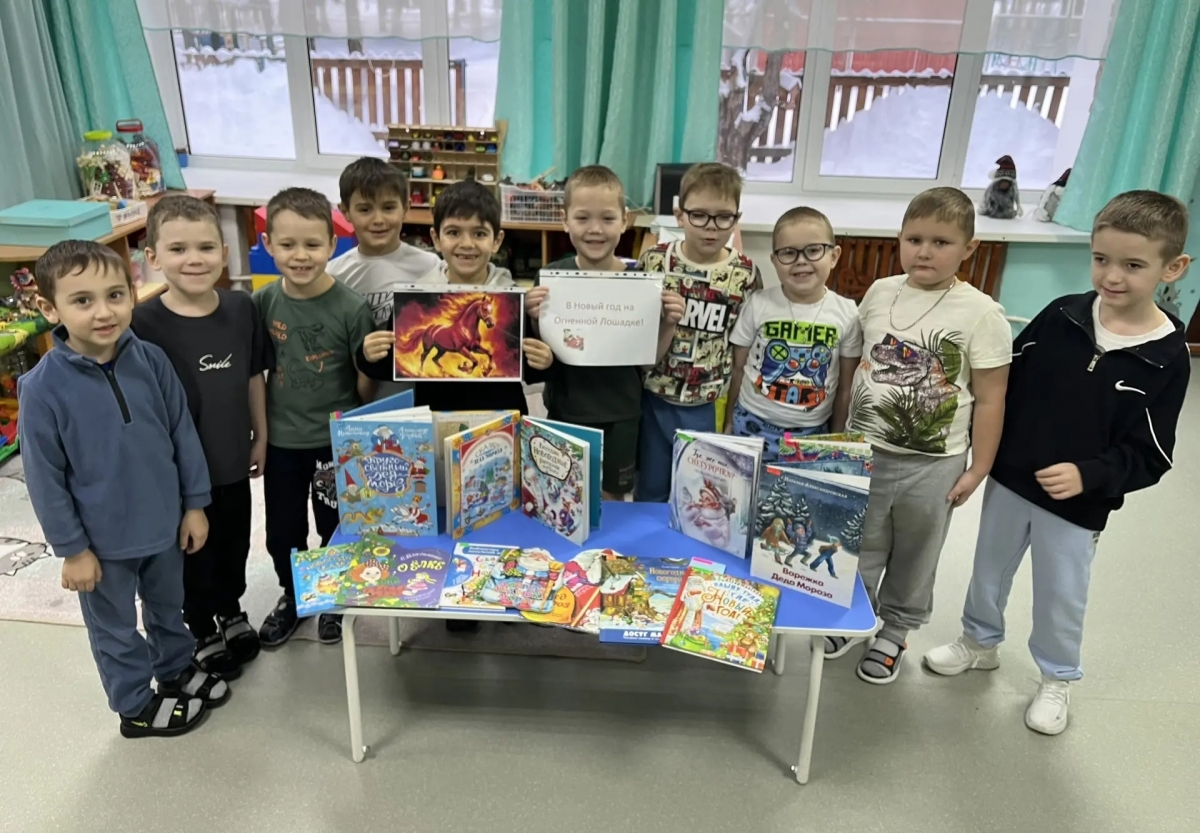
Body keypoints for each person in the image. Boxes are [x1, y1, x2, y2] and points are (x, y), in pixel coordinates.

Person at [923, 190, 1192, 735]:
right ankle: (979, 642)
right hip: (1011, 480)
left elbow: (1153, 454)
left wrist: (1089, 476)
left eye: (1133, 265)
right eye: (1101, 259)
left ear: (1173, 268)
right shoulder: (1061, 314)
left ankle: (1057, 677)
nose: (1111, 276)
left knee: (1060, 593)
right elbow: (1003, 383)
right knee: (988, 570)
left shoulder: (1167, 358)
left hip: (1077, 505)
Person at [18, 240, 227, 738]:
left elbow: (182, 433)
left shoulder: (151, 360)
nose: (104, 312)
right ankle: (134, 704)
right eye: (83, 300)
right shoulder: (41, 388)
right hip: (101, 543)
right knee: (114, 628)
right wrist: (72, 550)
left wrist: (194, 505)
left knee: (168, 607)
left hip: (164, 524)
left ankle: (174, 668)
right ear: (50, 308)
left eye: (115, 295)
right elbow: (44, 479)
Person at [837, 187, 1013, 684]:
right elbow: (859, 364)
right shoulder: (880, 291)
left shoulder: (982, 313)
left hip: (933, 464)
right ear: (899, 239)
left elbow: (992, 398)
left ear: (969, 248)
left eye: (941, 242)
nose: (925, 252)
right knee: (860, 541)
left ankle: (895, 631)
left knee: (916, 551)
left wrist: (979, 468)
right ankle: (853, 616)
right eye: (914, 240)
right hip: (865, 451)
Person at [133, 195, 272, 677]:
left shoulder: (241, 308)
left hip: (232, 456)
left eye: (206, 248)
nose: (194, 259)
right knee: (193, 549)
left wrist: (261, 435)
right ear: (153, 258)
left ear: (225, 253)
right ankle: (200, 625)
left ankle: (230, 609)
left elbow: (253, 376)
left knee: (234, 540)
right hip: (178, 471)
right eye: (178, 249)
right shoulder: (141, 323)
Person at [254, 187, 376, 648]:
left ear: (332, 244)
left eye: (312, 244)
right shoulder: (263, 303)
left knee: (335, 525)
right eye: (287, 244)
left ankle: (333, 597)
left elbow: (365, 381)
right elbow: (256, 373)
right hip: (283, 441)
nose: (300, 255)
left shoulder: (351, 307)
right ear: (268, 245)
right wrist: (259, 434)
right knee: (283, 530)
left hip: (334, 443)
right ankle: (294, 595)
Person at [523, 165, 685, 499]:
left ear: (625, 221)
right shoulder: (550, 279)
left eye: (608, 218)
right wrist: (534, 317)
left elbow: (649, 360)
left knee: (614, 498)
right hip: (566, 409)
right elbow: (544, 352)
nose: (595, 229)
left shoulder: (642, 284)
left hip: (622, 414)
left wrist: (669, 323)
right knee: (562, 494)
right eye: (582, 218)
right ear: (565, 220)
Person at [356, 179, 553, 414]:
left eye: (479, 233)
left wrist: (544, 362)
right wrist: (368, 355)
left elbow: (527, 369)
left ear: (497, 241)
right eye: (453, 232)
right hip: (436, 419)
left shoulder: (512, 300)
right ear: (436, 239)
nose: (466, 244)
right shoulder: (416, 296)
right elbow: (394, 366)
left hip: (502, 420)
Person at [635, 162, 762, 502]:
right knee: (650, 490)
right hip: (654, 397)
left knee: (700, 494)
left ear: (736, 219)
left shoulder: (745, 274)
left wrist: (732, 413)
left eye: (723, 217)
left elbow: (744, 351)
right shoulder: (654, 262)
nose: (711, 227)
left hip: (708, 402)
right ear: (680, 215)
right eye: (699, 215)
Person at [725, 207, 862, 460]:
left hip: (811, 433)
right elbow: (738, 369)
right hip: (751, 423)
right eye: (788, 253)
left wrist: (835, 439)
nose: (801, 260)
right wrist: (728, 425)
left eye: (813, 250)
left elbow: (846, 387)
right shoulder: (758, 304)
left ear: (834, 256)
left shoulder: (848, 313)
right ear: (774, 261)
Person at [328, 156, 440, 327]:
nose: (378, 220)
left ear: (405, 208)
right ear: (345, 212)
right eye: (365, 210)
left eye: (388, 208)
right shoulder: (333, 275)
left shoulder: (431, 266)